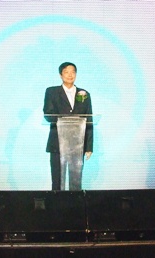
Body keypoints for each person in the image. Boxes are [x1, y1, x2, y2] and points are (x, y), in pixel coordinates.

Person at [43, 62, 93, 190]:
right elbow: (48, 114)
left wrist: (89, 146)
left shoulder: (84, 94)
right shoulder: (52, 92)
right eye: (66, 72)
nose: (70, 75)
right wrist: (67, 119)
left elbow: (89, 119)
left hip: (78, 143)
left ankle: (74, 208)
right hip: (58, 142)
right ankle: (56, 209)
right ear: (61, 75)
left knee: (76, 181)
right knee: (57, 181)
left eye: (73, 72)